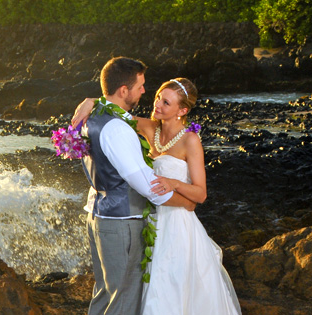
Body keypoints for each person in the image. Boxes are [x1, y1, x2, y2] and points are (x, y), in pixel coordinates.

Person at [73, 78, 241, 314]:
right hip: (149, 221)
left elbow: (200, 194)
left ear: (182, 111)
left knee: (171, 288)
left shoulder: (190, 141)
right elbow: (115, 111)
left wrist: (174, 183)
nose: (157, 105)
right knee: (141, 288)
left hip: (177, 226)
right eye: (157, 98)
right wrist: (91, 101)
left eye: (166, 102)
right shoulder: (150, 127)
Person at [78, 57, 197, 315]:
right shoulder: (118, 129)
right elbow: (147, 185)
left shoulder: (93, 117)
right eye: (140, 86)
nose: (145, 91)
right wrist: (186, 202)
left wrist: (93, 100)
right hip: (121, 222)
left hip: (98, 214)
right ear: (124, 91)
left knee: (105, 294)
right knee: (123, 300)